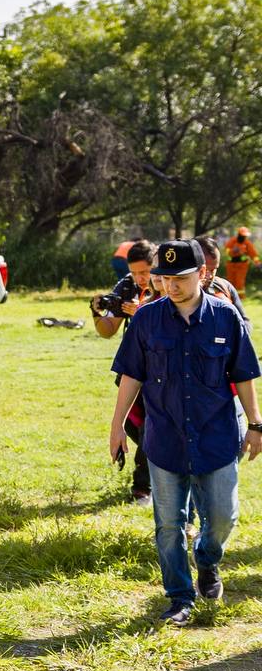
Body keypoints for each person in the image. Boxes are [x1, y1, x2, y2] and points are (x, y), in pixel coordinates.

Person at [110, 239, 262, 626]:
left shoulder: (226, 317)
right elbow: (131, 375)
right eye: (164, 278)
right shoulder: (146, 319)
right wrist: (116, 427)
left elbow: (244, 376)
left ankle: (207, 559)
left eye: (180, 277)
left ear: (202, 273)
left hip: (217, 437)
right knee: (167, 524)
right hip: (165, 439)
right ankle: (179, 597)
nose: (171, 285)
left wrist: (257, 425)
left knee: (223, 517)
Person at [91, 239, 156, 504]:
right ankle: (157, 471)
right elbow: (108, 330)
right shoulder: (127, 285)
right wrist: (96, 312)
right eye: (135, 272)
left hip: (161, 368)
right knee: (133, 424)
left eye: (145, 272)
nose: (140, 278)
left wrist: (143, 311)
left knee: (150, 428)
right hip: (133, 365)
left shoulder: (167, 284)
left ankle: (143, 487)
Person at [197, 235, 251, 335]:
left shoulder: (225, 287)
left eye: (213, 269)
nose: (208, 275)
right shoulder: (174, 292)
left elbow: (244, 321)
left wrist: (237, 341)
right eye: (203, 270)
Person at [225, 226, 260, 293]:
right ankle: (230, 297)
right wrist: (232, 251)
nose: (243, 237)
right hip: (231, 265)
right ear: (239, 235)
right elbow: (226, 250)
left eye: (245, 236)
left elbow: (253, 254)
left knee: (240, 282)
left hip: (242, 266)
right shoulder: (232, 241)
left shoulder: (247, 243)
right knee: (230, 281)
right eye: (242, 235)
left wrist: (257, 262)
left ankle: (240, 299)